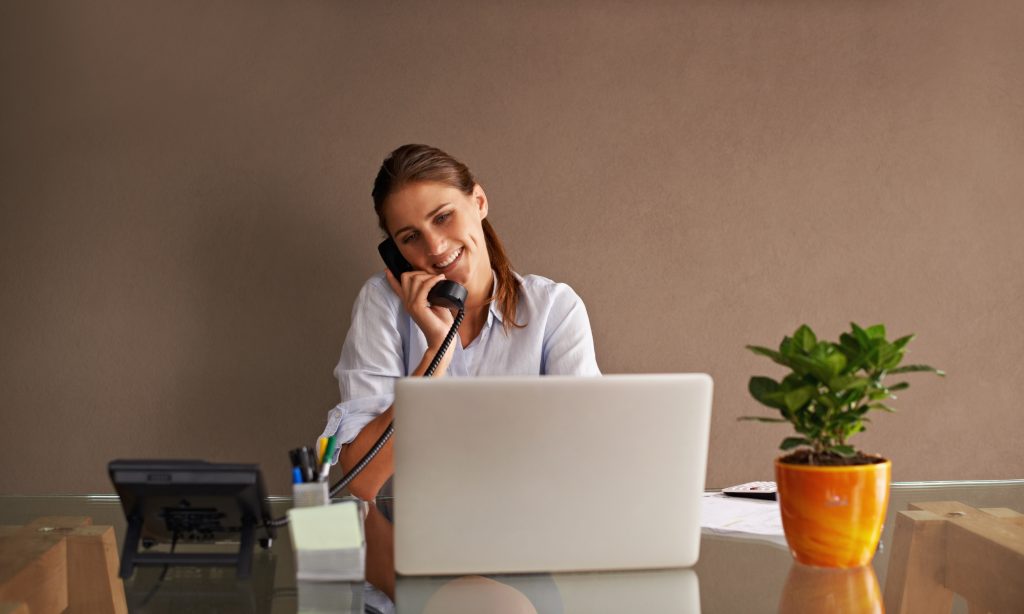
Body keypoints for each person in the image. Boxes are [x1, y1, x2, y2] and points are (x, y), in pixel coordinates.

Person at [319, 144, 600, 501]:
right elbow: (363, 480)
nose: (435, 247)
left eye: (442, 217)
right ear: (396, 253)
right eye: (410, 237)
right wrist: (436, 354)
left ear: (479, 201)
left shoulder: (554, 310)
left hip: (532, 528)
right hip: (414, 539)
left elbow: (586, 456)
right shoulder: (383, 305)